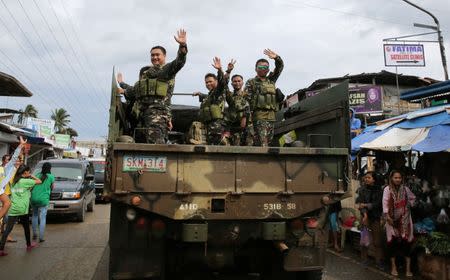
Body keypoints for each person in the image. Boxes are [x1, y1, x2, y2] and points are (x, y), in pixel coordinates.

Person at [117, 29, 188, 144]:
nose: (155, 57)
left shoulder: (166, 71)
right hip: (143, 115)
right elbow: (136, 90)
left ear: (164, 56)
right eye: (152, 55)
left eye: (157, 55)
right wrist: (122, 86)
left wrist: (183, 46)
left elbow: (179, 62)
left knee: (156, 147)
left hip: (157, 115)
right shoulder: (147, 74)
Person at [245, 49, 284, 146]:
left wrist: (276, 58)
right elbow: (246, 102)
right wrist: (248, 122)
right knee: (263, 143)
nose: (263, 68)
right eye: (260, 66)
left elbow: (280, 67)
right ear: (256, 69)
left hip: (271, 117)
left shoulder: (271, 80)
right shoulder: (251, 82)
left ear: (268, 69)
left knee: (268, 142)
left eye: (265, 67)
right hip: (258, 117)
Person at [0, 165, 42, 256]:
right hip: (23, 209)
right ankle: (28, 245)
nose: (29, 172)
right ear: (25, 172)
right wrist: (31, 175)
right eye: (28, 171)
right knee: (26, 227)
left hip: (13, 208)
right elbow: (39, 181)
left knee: (8, 229)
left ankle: (1, 249)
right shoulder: (26, 181)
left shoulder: (13, 181)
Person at [382, 170, 416, 277]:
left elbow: (412, 198)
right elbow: (385, 203)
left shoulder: (405, 189)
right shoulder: (387, 189)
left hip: (405, 221)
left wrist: (410, 206)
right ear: (391, 178)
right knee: (392, 244)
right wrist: (387, 217)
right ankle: (393, 267)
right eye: (395, 177)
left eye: (399, 178)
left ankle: (408, 269)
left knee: (407, 245)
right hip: (391, 220)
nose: (397, 179)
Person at [193, 57, 228, 145]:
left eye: (210, 81)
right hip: (208, 124)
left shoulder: (219, 91)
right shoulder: (210, 95)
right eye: (206, 82)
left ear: (216, 81)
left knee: (215, 147)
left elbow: (222, 83)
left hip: (217, 125)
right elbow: (209, 98)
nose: (208, 84)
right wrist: (200, 94)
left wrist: (219, 70)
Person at [356, 171, 384, 268]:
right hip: (365, 217)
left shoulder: (380, 191)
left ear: (374, 179)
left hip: (375, 217)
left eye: (369, 177)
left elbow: (378, 204)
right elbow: (360, 203)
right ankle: (364, 260)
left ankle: (378, 261)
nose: (366, 179)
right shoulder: (362, 190)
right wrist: (365, 215)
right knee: (364, 240)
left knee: (377, 242)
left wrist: (366, 205)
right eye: (365, 177)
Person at [0, 136, 27, 221]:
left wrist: (21, 146)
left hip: (8, 192)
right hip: (4, 191)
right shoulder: (6, 167)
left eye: (20, 160)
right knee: (7, 205)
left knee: (7, 205)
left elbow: (16, 157)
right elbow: (15, 157)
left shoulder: (13, 169)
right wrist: (20, 146)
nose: (18, 162)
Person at [225, 70, 251, 146]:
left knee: (249, 149)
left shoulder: (248, 95)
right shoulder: (230, 96)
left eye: (239, 81)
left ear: (242, 82)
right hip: (235, 128)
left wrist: (244, 117)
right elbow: (224, 85)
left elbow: (251, 107)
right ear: (232, 83)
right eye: (235, 81)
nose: (237, 83)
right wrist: (228, 72)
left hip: (248, 127)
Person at [31, 162, 55, 243]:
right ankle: (41, 237)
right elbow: (52, 187)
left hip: (34, 198)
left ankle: (34, 234)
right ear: (50, 168)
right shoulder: (51, 177)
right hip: (43, 199)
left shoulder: (37, 175)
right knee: (42, 218)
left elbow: (32, 185)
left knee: (34, 215)